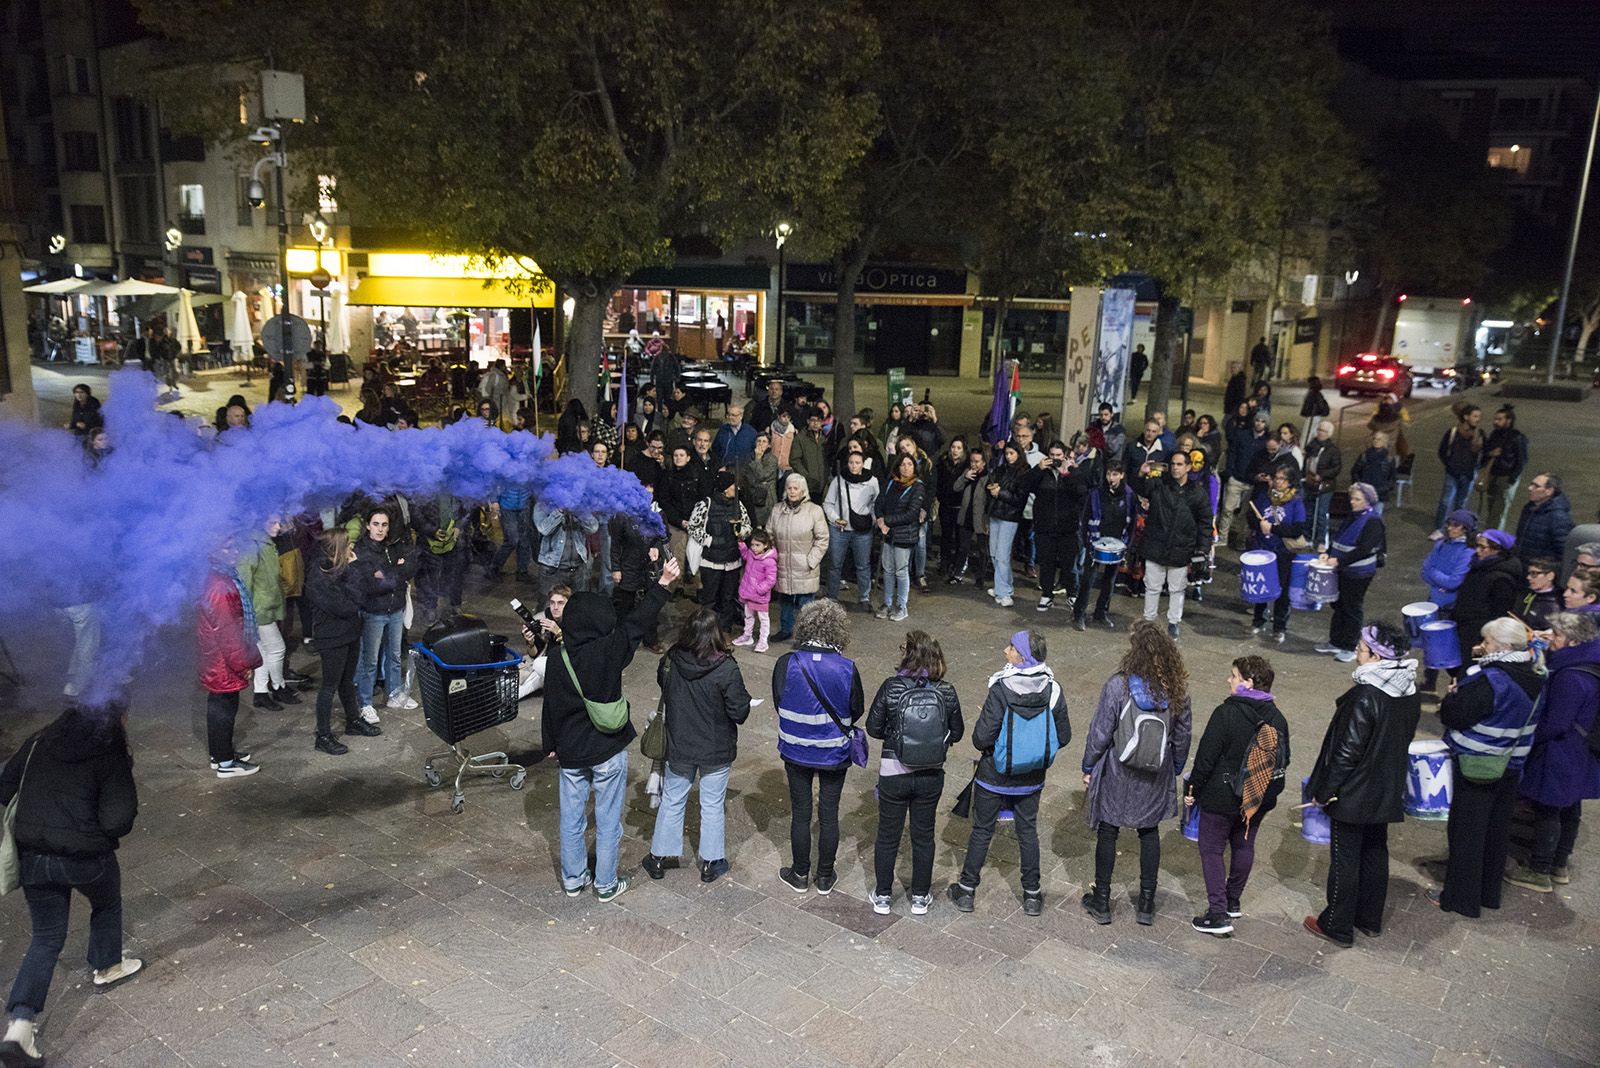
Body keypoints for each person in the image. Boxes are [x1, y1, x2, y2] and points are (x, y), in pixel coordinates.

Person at [0, 704, 142, 1066]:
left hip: (33, 857)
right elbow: (117, 820)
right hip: (86, 859)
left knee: (46, 938)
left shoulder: (39, 741)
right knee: (106, 903)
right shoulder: (109, 753)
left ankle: (19, 1027)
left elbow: (4, 788)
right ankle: (107, 966)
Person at [545, 558, 679, 900]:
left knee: (571, 820)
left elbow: (551, 705)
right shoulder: (610, 650)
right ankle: (605, 884)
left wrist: (550, 743)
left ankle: (573, 879)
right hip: (607, 748)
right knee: (607, 822)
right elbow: (637, 621)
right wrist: (663, 583)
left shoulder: (558, 657)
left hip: (571, 750)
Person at [1303, 621, 1422, 947]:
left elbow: (1346, 753)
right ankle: (1369, 919)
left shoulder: (1365, 696)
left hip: (1355, 791)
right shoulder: (1408, 689)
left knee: (1346, 857)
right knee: (1375, 850)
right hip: (1386, 787)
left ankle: (1337, 924)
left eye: (1361, 647)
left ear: (1376, 656)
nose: (1357, 651)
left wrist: (1324, 792)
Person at [947, 630, 1068, 916]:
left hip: (994, 776)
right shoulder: (1053, 689)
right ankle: (1032, 896)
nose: (1005, 651)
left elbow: (981, 737)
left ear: (1023, 656)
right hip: (1032, 778)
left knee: (982, 830)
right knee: (1028, 832)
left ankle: (966, 891)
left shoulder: (1001, 689)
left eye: (1012, 648)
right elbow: (1063, 735)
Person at [1079, 620, 1193, 926]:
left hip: (1118, 768)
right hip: (1156, 771)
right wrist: (1175, 766)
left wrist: (1088, 765)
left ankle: (1102, 901)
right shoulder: (1177, 689)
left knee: (1108, 829)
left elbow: (1100, 731)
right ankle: (1146, 904)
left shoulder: (1119, 685)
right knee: (1149, 831)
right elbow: (1183, 735)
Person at [1430, 617, 1544, 918]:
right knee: (1496, 831)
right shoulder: (1536, 674)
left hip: (1477, 764)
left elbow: (1455, 715)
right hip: (1512, 764)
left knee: (1467, 833)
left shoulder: (1490, 679)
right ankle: (1488, 894)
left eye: (1488, 641)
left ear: (1503, 646)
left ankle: (1460, 899)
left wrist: (1453, 696)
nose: (1483, 645)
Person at [642, 607, 752, 884]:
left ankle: (658, 857)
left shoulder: (670, 660)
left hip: (679, 744)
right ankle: (711, 863)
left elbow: (663, 685)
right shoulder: (726, 668)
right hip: (715, 748)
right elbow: (739, 711)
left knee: (673, 798)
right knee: (712, 804)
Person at [1185, 655, 1290, 935]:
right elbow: (1285, 759)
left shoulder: (1226, 713)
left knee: (1211, 848)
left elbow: (1205, 759)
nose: (1228, 680)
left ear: (1248, 682)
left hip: (1222, 796)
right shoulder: (1277, 717)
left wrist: (1192, 789)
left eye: (1234, 676)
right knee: (1244, 844)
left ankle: (1218, 913)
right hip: (1257, 798)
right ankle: (1232, 900)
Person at [867, 631, 963, 915]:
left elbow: (873, 728)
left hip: (894, 772)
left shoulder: (891, 687)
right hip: (930, 775)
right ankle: (920, 896)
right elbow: (957, 732)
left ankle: (883, 896)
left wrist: (896, 736)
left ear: (907, 655)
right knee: (923, 836)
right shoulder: (946, 691)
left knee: (888, 836)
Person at [774, 600, 865, 894]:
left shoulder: (786, 663)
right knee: (829, 813)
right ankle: (825, 876)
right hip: (833, 751)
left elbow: (779, 701)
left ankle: (799, 873)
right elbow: (857, 708)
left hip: (795, 748)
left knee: (801, 812)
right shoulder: (847, 668)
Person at [1506, 611, 1600, 892]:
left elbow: (1556, 723)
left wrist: (1530, 739)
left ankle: (1539, 870)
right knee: (1570, 806)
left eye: (1557, 635)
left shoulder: (1571, 676)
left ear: (1573, 641)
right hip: (1580, 750)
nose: (1551, 640)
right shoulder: (1588, 664)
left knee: (1549, 809)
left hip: (1561, 751)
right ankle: (1559, 864)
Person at [303, 529, 373, 754]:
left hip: (350, 632)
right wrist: (354, 581)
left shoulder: (341, 569)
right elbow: (345, 606)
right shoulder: (318, 577)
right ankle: (323, 736)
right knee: (329, 686)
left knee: (347, 682)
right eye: (348, 543)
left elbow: (361, 595)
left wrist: (354, 570)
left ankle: (353, 721)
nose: (352, 547)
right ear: (336, 548)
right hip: (332, 638)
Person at [1131, 448, 1212, 639]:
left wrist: (1202, 549)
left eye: (1180, 464)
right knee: (1152, 587)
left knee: (1177, 589)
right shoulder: (1159, 484)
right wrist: (1141, 473)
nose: (1175, 468)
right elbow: (1139, 488)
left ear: (1188, 467)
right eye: (1173, 464)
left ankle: (1174, 622)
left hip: (1181, 547)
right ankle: (1148, 621)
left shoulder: (1198, 493)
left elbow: (1205, 523)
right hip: (1156, 544)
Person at [198, 549, 265, 777]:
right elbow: (228, 631)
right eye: (228, 547)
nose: (236, 551)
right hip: (223, 660)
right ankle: (226, 763)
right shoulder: (220, 585)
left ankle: (220, 754)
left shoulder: (219, 577)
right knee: (224, 708)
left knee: (220, 705)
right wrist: (243, 664)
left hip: (217, 658)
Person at [351, 506, 419, 726]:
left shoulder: (392, 546)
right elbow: (369, 585)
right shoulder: (361, 550)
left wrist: (387, 575)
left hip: (395, 608)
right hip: (373, 613)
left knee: (394, 655)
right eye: (376, 524)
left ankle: (394, 694)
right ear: (368, 526)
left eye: (384, 525)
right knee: (369, 660)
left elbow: (410, 568)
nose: (380, 529)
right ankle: (365, 703)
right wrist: (396, 573)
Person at [1313, 482, 1386, 663]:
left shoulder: (1373, 521)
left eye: (1357, 499)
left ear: (1368, 501)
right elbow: (1338, 538)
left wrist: (1339, 561)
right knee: (1339, 605)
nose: (1352, 502)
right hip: (1343, 570)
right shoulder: (1353, 516)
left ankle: (1350, 645)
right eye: (1352, 498)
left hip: (1359, 573)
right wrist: (1328, 553)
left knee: (1352, 607)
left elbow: (1364, 549)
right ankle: (1336, 641)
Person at [237, 520, 299, 711]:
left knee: (264, 652)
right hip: (259, 609)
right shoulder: (252, 546)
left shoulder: (264, 542)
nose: (278, 527)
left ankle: (261, 692)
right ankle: (278, 687)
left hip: (263, 607)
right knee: (278, 649)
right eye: (272, 522)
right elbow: (244, 581)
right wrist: (246, 611)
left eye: (279, 522)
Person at [1026, 438, 1094, 613]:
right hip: (1044, 527)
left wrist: (1068, 474)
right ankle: (1047, 594)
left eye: (1058, 455)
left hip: (1067, 528)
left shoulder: (1073, 473)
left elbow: (1082, 493)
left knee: (1069, 564)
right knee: (1046, 563)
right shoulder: (1043, 474)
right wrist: (1038, 469)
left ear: (1064, 456)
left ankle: (1072, 594)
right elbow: (1024, 485)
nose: (1055, 459)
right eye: (1052, 455)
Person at [1248, 466, 1308, 643]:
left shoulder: (1295, 502)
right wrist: (1259, 525)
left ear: (1289, 482)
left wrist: (1273, 528)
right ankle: (1258, 620)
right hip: (1263, 549)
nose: (1277, 481)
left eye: (1282, 479)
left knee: (1282, 590)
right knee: (1262, 587)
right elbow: (1251, 517)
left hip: (1283, 552)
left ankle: (1279, 626)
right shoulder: (1264, 497)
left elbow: (1297, 529)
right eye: (1276, 478)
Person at [1450, 530, 1524, 671]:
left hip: (1480, 636)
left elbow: (1499, 612)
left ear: (1497, 550)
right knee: (1459, 665)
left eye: (1483, 547)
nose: (1478, 550)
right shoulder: (1480, 566)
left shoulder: (1502, 578)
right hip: (1465, 629)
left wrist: (1483, 638)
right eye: (1477, 546)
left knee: (1472, 665)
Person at [688, 470, 752, 631]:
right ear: (725, 487)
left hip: (732, 560)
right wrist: (710, 541)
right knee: (709, 599)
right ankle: (706, 631)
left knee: (728, 598)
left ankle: (725, 629)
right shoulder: (705, 504)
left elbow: (747, 526)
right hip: (711, 561)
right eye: (733, 486)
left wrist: (741, 532)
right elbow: (693, 527)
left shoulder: (738, 505)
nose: (737, 489)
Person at [1075, 460, 1135, 630]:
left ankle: (1101, 612)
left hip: (1117, 543)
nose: (1111, 478)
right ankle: (1079, 614)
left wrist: (1127, 545)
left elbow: (1132, 522)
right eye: (1109, 474)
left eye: (1115, 474)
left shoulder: (1129, 495)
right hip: (1095, 542)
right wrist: (1086, 540)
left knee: (1109, 581)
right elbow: (1085, 517)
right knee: (1088, 580)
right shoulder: (1096, 493)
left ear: (1122, 475)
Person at [770, 473, 830, 640]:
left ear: (803, 490)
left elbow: (823, 539)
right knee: (786, 600)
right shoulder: (777, 510)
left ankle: (807, 635)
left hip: (805, 566)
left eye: (795, 488)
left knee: (806, 602)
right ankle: (786, 629)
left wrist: (811, 561)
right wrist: (774, 558)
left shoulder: (814, 511)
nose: (792, 491)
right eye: (789, 488)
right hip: (783, 564)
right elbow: (769, 535)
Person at [824, 448, 879, 609]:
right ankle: (832, 597)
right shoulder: (839, 480)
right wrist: (835, 518)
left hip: (862, 530)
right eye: (851, 462)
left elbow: (876, 503)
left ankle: (864, 598)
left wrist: (873, 519)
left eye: (857, 463)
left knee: (863, 565)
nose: (854, 466)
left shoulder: (872, 481)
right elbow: (828, 503)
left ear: (863, 464)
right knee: (835, 564)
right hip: (839, 530)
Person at [874, 454, 925, 621]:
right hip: (888, 534)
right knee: (888, 569)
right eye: (903, 464)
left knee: (901, 571)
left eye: (909, 464)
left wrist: (887, 521)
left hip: (904, 535)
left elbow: (911, 514)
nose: (906, 467)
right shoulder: (891, 483)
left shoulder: (917, 487)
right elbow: (879, 503)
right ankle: (887, 603)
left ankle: (902, 606)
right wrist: (880, 520)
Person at [411, 492, 472, 629]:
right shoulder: (423, 486)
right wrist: (431, 531)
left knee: (455, 575)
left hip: (454, 542)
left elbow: (467, 507)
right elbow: (415, 513)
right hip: (428, 542)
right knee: (428, 577)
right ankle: (430, 608)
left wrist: (459, 526)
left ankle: (455, 604)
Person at [984, 442, 1030, 608]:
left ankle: (1004, 593)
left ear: (1018, 453)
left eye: (1012, 453)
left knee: (1002, 555)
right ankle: (1003, 586)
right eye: (1007, 453)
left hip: (1010, 517)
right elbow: (990, 483)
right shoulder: (1002, 469)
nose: (1009, 457)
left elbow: (1020, 498)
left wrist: (1000, 493)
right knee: (994, 553)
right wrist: (992, 488)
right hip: (996, 513)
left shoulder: (1024, 471)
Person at [1433, 403, 1484, 538]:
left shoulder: (1480, 434)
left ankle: (1457, 529)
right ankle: (1440, 528)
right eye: (1475, 416)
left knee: (1461, 503)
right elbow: (1442, 451)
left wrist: (1477, 467)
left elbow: (1484, 454)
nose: (1478, 419)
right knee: (1446, 501)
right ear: (1466, 417)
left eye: (1479, 416)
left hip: (1469, 474)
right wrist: (1450, 465)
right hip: (1453, 473)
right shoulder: (1453, 432)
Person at [533, 499, 598, 600]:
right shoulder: (543, 504)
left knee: (579, 604)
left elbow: (593, 528)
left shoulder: (579, 505)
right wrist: (560, 511)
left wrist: (579, 512)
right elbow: (544, 529)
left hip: (578, 568)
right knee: (549, 605)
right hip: (552, 570)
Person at [1479, 405, 1529, 531]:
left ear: (1508, 420)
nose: (1495, 422)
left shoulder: (1517, 437)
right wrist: (1491, 453)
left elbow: (1522, 460)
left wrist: (1512, 479)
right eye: (1495, 419)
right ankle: (1490, 532)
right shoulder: (1494, 435)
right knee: (1491, 507)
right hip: (1493, 475)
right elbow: (1485, 453)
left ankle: (1493, 536)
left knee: (1499, 510)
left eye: (1499, 419)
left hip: (1506, 477)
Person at [1514, 473, 1573, 566]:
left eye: (1536, 486)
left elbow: (1563, 551)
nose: (1530, 488)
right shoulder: (1529, 509)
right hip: (1522, 564)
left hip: (1540, 569)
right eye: (1531, 484)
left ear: (1549, 491)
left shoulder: (1558, 517)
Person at [949, 448, 989, 586]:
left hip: (981, 519)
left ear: (983, 462)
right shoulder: (967, 473)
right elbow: (956, 487)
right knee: (963, 548)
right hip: (966, 516)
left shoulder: (988, 477)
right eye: (972, 461)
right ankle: (958, 574)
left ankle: (980, 577)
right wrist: (964, 477)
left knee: (982, 550)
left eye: (977, 462)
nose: (974, 464)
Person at [734, 529, 778, 652]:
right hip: (749, 593)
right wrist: (742, 545)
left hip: (760, 596)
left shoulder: (769, 561)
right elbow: (745, 555)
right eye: (752, 545)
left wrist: (759, 589)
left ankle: (763, 641)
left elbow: (771, 580)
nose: (754, 548)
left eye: (757, 545)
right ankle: (747, 635)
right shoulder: (751, 554)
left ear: (765, 545)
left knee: (763, 619)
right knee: (748, 615)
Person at [1301, 420, 1341, 547]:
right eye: (1319, 430)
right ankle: (1307, 536)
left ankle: (1321, 540)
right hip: (1310, 482)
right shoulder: (1311, 446)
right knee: (1308, 511)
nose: (1320, 433)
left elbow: (1336, 468)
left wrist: (1322, 475)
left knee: (1321, 513)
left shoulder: (1333, 450)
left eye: (1323, 431)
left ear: (1329, 434)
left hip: (1324, 485)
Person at [488, 479, 534, 583]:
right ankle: (494, 568)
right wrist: (494, 500)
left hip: (524, 505)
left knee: (524, 540)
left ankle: (522, 572)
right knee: (512, 540)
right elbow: (494, 479)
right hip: (507, 506)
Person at [935, 437, 969, 573]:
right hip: (946, 505)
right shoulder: (943, 463)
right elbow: (939, 482)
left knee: (960, 538)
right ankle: (944, 562)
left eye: (959, 448)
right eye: (953, 447)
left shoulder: (967, 465)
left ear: (963, 450)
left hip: (960, 506)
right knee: (946, 536)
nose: (955, 450)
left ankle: (957, 564)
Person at [1349, 430, 1397, 515]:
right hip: (1364, 493)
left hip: (1380, 494)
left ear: (1384, 441)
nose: (1376, 441)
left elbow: (1392, 477)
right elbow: (1355, 472)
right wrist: (1360, 486)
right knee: (1362, 516)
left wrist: (1384, 489)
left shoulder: (1389, 458)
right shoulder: (1365, 455)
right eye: (1374, 438)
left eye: (1379, 439)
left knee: (1375, 517)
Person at [738, 430, 778, 528]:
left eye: (764, 441)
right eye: (759, 441)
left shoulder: (772, 459)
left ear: (769, 445)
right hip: (752, 496)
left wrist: (758, 459)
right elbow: (745, 476)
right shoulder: (748, 458)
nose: (761, 444)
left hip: (767, 499)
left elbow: (761, 475)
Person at [1516, 557, 1563, 630]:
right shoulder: (1525, 593)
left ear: (1550, 576)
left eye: (1534, 573)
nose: (1528, 577)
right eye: (1529, 573)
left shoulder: (1557, 603)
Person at [712, 403, 756, 468]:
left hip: (744, 470)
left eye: (733, 415)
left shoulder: (751, 432)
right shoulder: (722, 430)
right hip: (725, 469)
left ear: (741, 416)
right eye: (728, 415)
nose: (730, 417)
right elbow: (715, 450)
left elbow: (755, 452)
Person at [1300, 375, 1330, 444]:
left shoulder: (1314, 393)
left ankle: (1304, 447)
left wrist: (1308, 411)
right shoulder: (1316, 393)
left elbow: (1319, 405)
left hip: (1312, 416)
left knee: (1307, 433)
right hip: (1315, 416)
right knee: (1312, 433)